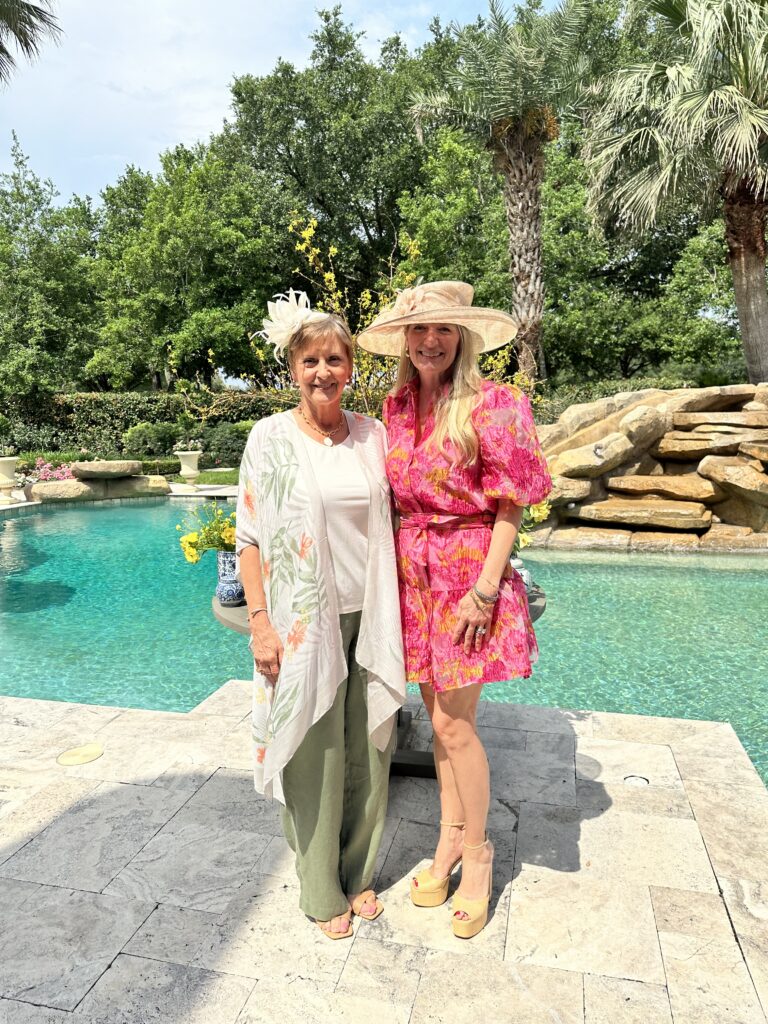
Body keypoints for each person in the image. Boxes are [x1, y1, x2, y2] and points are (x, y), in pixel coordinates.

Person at [359, 281, 551, 939]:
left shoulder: (495, 404)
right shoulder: (397, 406)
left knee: (456, 726)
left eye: (442, 330)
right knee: (439, 722)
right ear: (405, 342)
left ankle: (478, 856)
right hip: (413, 577)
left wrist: (487, 589)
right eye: (418, 332)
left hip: (468, 577)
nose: (429, 341)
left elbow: (510, 504)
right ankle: (445, 842)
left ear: (462, 338)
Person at [236, 290, 406, 939]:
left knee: (370, 749)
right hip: (305, 621)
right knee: (314, 753)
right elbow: (248, 535)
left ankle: (359, 873)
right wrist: (260, 622)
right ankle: (318, 887)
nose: (324, 371)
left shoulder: (372, 436)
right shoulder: (270, 439)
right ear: (292, 368)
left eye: (335, 358)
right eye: (311, 360)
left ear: (352, 367)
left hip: (374, 614)